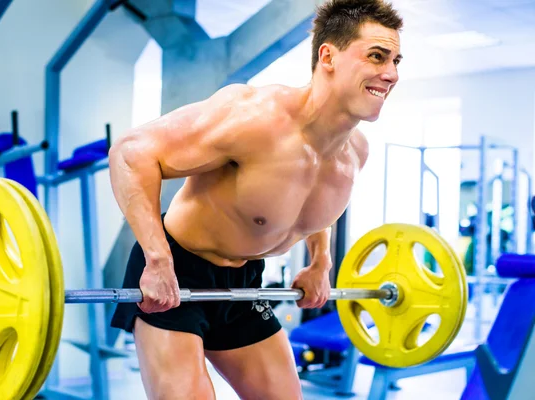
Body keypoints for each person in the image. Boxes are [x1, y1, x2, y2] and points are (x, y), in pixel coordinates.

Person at [109, 0, 403, 398]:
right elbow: (131, 153)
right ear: (328, 56)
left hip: (245, 282)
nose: (391, 74)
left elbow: (316, 201)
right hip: (177, 273)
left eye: (396, 61)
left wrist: (321, 262)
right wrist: (157, 259)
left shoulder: (354, 153)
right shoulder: (254, 118)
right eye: (377, 57)